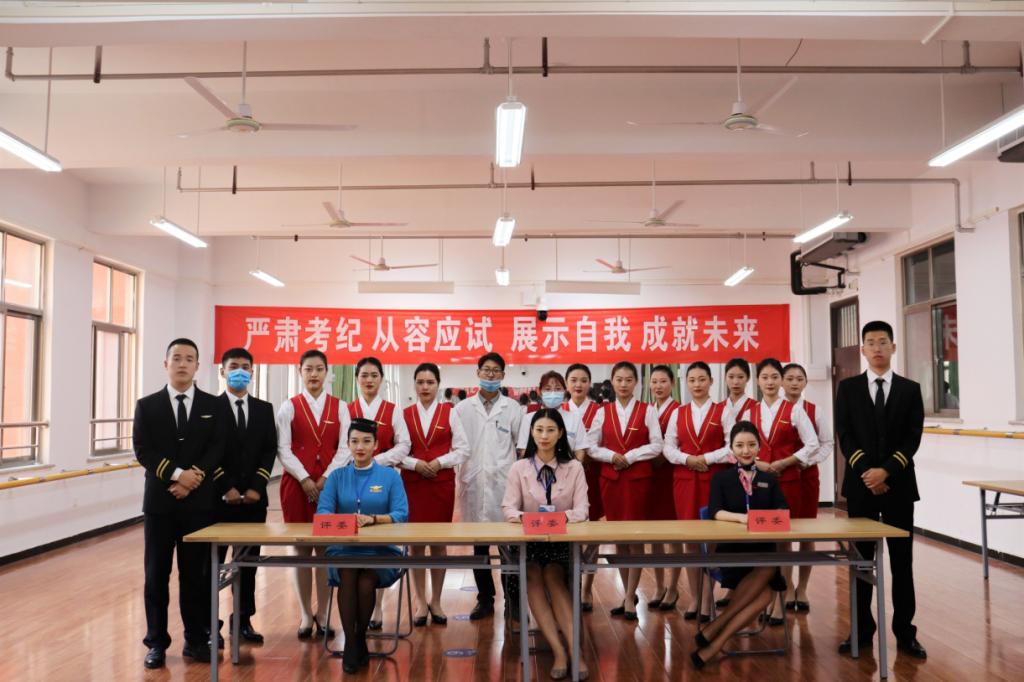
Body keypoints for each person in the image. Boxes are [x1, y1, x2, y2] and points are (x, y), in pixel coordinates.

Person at [835, 321, 926, 659]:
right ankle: (861, 630)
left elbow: (912, 438)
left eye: (883, 341)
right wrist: (867, 473)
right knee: (860, 562)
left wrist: (886, 471)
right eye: (870, 342)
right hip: (861, 488)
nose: (877, 347)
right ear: (862, 349)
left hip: (899, 486)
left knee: (902, 562)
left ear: (893, 347)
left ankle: (905, 632)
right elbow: (845, 435)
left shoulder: (910, 389)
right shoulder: (848, 388)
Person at [133, 338, 226, 669]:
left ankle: (196, 640)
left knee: (195, 576)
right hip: (160, 504)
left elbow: (218, 447)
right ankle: (156, 642)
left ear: (198, 366)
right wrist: (176, 475)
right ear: (166, 364)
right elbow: (142, 449)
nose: (183, 364)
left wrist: (193, 478)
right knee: (156, 575)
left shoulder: (213, 405)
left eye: (189, 359)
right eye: (177, 358)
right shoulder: (147, 406)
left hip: (198, 504)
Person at [691, 421, 788, 670]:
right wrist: (743, 519)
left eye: (751, 445)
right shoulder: (721, 478)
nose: (746, 450)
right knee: (768, 577)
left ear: (759, 448)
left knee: (766, 588)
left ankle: (715, 636)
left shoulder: (768, 479)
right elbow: (715, 511)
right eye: (740, 445)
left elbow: (782, 509)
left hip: (762, 547)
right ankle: (715, 638)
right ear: (731, 448)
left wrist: (769, 516)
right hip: (732, 550)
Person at [502, 409, 590, 680]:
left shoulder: (574, 467)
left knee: (553, 574)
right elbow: (508, 509)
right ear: (531, 433)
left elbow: (582, 510)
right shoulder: (519, 468)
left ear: (561, 433)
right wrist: (530, 520)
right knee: (531, 573)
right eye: (539, 429)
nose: (544, 436)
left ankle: (575, 651)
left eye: (551, 430)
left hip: (562, 541)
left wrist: (555, 519)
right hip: (528, 542)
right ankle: (559, 651)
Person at [317, 418, 410, 674]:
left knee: (366, 581)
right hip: (344, 548)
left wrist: (374, 519)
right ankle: (353, 643)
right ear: (347, 444)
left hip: (381, 549)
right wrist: (347, 521)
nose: (360, 447)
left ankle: (357, 639)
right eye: (355, 441)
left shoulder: (389, 476)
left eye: (366, 441)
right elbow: (323, 513)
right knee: (348, 573)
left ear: (376, 445)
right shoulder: (337, 476)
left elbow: (401, 513)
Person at [276, 349, 351, 640]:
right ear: (300, 372)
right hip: (296, 486)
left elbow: (344, 448)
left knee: (326, 549)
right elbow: (283, 449)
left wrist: (325, 478)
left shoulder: (340, 407)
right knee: (301, 549)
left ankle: (324, 612)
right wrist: (305, 478)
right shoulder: (289, 407)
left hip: (331, 487)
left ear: (327, 372)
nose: (314, 374)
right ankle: (306, 614)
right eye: (308, 369)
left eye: (319, 369)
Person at [738, 357, 818, 625]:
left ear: (781, 381)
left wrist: (786, 462)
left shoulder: (794, 411)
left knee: (784, 540)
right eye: (765, 377)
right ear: (758, 381)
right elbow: (739, 446)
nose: (770, 382)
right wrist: (757, 462)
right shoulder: (750, 413)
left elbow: (812, 444)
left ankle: (782, 597)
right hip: (759, 484)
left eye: (774, 377)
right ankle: (766, 595)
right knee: (763, 539)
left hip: (788, 482)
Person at [588, 360, 664, 621]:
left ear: (636, 383)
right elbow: (591, 445)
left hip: (638, 481)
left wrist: (630, 456)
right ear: (612, 381)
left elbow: (657, 445)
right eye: (619, 379)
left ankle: (631, 596)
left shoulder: (647, 410)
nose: (623, 384)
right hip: (610, 481)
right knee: (619, 538)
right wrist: (611, 456)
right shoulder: (603, 412)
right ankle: (627, 593)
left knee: (635, 537)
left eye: (628, 380)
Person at [453, 352, 523, 621]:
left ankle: (512, 600)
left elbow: (520, 448)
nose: (491, 374)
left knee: (508, 547)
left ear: (503, 375)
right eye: (486, 370)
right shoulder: (462, 409)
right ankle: (484, 599)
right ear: (478, 372)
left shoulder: (513, 408)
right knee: (479, 547)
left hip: (504, 484)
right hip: (473, 482)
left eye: (496, 371)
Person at [214, 348, 278, 644]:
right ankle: (209, 624)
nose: (239, 371)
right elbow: (208, 452)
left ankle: (242, 621)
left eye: (245, 366)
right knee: (212, 565)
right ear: (222, 371)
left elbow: (269, 450)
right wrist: (225, 486)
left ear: (252, 372)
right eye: (233, 366)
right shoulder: (210, 408)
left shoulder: (264, 409)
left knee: (248, 563)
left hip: (254, 500)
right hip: (218, 501)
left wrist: (257, 486)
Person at [401, 362, 470, 626]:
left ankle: (437, 600)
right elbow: (397, 449)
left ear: (438, 385)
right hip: (413, 484)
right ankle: (421, 601)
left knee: (439, 543)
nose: (425, 387)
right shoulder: (404, 414)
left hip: (441, 484)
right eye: (420, 382)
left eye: (430, 382)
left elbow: (463, 449)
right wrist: (414, 464)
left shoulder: (449, 413)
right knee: (416, 544)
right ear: (414, 385)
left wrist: (440, 462)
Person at [662, 361, 732, 621]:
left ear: (711, 381)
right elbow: (668, 447)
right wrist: (688, 460)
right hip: (684, 481)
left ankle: (707, 597)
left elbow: (732, 446)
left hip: (714, 480)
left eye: (702, 379)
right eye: (692, 380)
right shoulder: (678, 413)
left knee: (711, 540)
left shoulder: (723, 410)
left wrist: (706, 458)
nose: (697, 384)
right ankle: (695, 597)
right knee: (690, 541)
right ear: (685, 383)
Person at [349, 356, 412, 630]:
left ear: (382, 379)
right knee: (355, 539)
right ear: (356, 378)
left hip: (383, 480)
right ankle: (355, 604)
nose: (369, 380)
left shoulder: (392, 410)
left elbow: (404, 444)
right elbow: (340, 446)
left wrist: (376, 461)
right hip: (352, 479)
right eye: (364, 375)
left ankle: (377, 608)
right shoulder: (347, 409)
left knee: (381, 540)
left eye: (374, 375)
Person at [781, 362, 834, 613]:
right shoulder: (774, 410)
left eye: (799, 379)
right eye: (789, 378)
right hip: (780, 478)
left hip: (806, 477)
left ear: (805, 382)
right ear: (781, 382)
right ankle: (787, 586)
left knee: (806, 533)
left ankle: (802, 588)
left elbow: (827, 443)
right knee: (782, 534)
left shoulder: (815, 410)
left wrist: (808, 461)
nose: (794, 383)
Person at [564, 362, 603, 610]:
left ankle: (587, 588)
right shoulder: (559, 410)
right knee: (567, 529)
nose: (578, 385)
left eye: (583, 380)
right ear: (566, 383)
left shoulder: (600, 411)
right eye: (573, 380)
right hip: (565, 479)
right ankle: (568, 586)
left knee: (592, 533)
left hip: (592, 477)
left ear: (590, 383)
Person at [647, 365, 682, 611]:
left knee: (673, 534)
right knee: (654, 535)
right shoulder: (648, 410)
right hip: (649, 477)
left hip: (670, 475)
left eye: (663, 381)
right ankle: (659, 585)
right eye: (654, 382)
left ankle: (674, 586)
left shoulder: (678, 410)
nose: (658, 386)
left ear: (672, 384)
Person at [516, 370, 590, 457]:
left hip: (568, 465)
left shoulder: (575, 419)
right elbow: (523, 449)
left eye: (558, 389)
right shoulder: (529, 418)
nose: (553, 393)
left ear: (564, 391)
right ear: (540, 392)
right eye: (548, 389)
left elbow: (580, 450)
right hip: (535, 465)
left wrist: (572, 465)